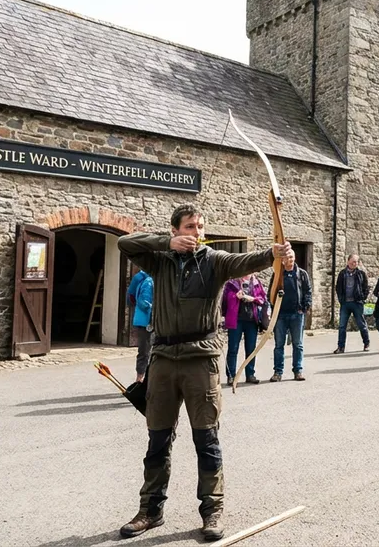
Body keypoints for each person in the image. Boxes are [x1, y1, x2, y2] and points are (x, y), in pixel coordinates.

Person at [116, 203, 291, 541]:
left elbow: (247, 261)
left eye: (199, 227)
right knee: (158, 439)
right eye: (189, 227)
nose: (196, 233)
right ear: (175, 230)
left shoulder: (214, 261)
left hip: (201, 359)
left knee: (206, 439)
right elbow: (126, 243)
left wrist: (275, 253)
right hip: (163, 358)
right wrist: (166, 244)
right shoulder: (160, 260)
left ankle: (212, 511)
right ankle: (150, 511)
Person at [271, 254, 312, 380]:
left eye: (292, 257)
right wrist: (276, 300)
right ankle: (278, 372)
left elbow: (308, 291)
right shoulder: (277, 274)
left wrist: (305, 307)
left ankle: (298, 371)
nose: (290, 260)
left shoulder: (302, 274)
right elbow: (270, 293)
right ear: (283, 260)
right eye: (288, 258)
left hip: (297, 314)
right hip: (281, 314)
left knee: (298, 344)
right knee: (279, 345)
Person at [222, 273, 266, 385]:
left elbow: (263, 299)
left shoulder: (256, 282)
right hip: (236, 320)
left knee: (251, 349)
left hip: (252, 320)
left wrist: (253, 299)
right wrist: (235, 296)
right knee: (233, 349)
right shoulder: (232, 283)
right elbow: (225, 300)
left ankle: (250, 374)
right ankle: (231, 376)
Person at [334, 254, 370, 354]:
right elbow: (338, 287)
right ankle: (341, 347)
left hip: (357, 303)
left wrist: (362, 298)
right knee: (342, 326)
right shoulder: (342, 273)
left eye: (356, 262)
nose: (354, 264)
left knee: (361, 324)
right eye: (353, 261)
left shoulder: (361, 274)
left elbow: (366, 287)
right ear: (348, 261)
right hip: (345, 303)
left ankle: (366, 343)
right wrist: (341, 299)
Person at [127, 269, 154, 383]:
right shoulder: (149, 281)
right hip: (146, 321)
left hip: (143, 319)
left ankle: (143, 379)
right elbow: (143, 301)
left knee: (145, 350)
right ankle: (140, 379)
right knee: (145, 351)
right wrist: (154, 310)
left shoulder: (142, 277)